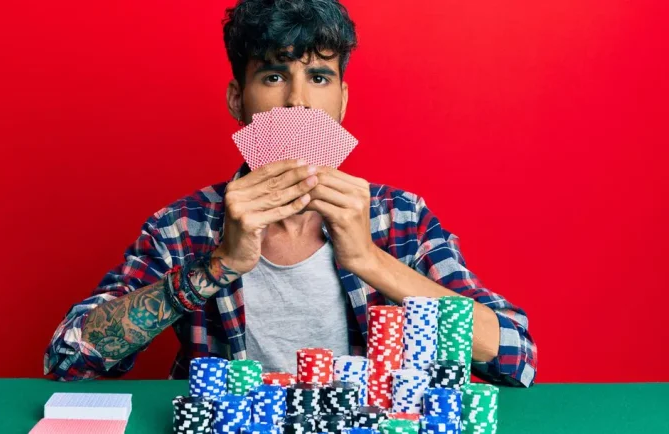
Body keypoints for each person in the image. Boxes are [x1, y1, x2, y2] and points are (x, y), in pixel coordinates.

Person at [44, 0, 537, 387]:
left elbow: (515, 356)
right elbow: (67, 358)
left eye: (319, 78)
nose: (297, 102)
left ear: (341, 102)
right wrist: (217, 266)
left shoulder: (399, 217)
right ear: (239, 99)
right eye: (274, 76)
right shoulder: (183, 225)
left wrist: (368, 259)